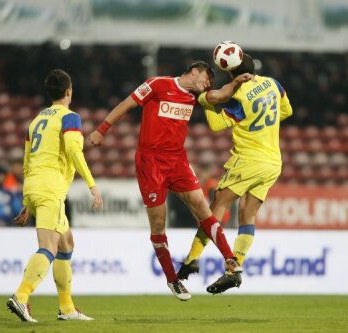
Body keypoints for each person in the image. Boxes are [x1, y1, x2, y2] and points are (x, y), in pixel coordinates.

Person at [90, 61, 251, 301]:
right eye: (207, 78)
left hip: (177, 161)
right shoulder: (158, 84)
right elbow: (127, 104)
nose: (208, 84)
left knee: (203, 208)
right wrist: (102, 129)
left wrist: (236, 81)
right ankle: (173, 280)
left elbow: (219, 95)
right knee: (158, 224)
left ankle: (230, 258)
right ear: (194, 71)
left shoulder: (196, 97)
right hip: (150, 163)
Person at [177, 54, 293, 294]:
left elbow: (217, 125)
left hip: (249, 160)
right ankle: (234, 270)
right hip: (273, 162)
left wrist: (207, 103)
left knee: (217, 207)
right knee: (247, 215)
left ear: (232, 74)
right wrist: (263, 124)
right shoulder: (273, 84)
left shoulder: (239, 96)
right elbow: (286, 111)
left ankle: (191, 259)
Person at [7, 69, 103, 322]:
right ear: (69, 91)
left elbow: (27, 161)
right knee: (48, 247)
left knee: (66, 244)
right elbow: (74, 150)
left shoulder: (36, 120)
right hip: (51, 189)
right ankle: (21, 296)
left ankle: (67, 308)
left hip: (35, 186)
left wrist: (28, 201)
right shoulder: (69, 117)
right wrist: (92, 185)